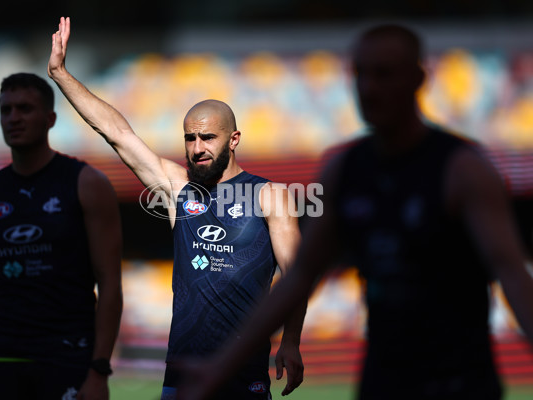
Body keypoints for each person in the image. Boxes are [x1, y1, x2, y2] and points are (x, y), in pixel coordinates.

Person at [176, 24, 533, 400]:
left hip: (459, 383)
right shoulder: (344, 171)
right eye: (361, 74)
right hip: (382, 380)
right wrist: (222, 365)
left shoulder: (462, 168)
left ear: (418, 79)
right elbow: (299, 278)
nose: (369, 87)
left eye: (384, 74)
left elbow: (511, 273)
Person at [47, 17, 306, 400]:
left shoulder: (269, 195)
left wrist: (292, 340)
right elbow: (117, 133)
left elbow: (297, 272)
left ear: (233, 139)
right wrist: (60, 74)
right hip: (181, 372)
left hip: (244, 370)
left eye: (208, 137)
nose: (197, 147)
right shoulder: (178, 190)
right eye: (190, 138)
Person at [0, 73, 123, 400]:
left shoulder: (86, 183)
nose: (14, 118)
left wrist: (99, 370)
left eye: (25, 108)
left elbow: (110, 282)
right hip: (5, 360)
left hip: (69, 358)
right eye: (6, 109)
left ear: (50, 119)